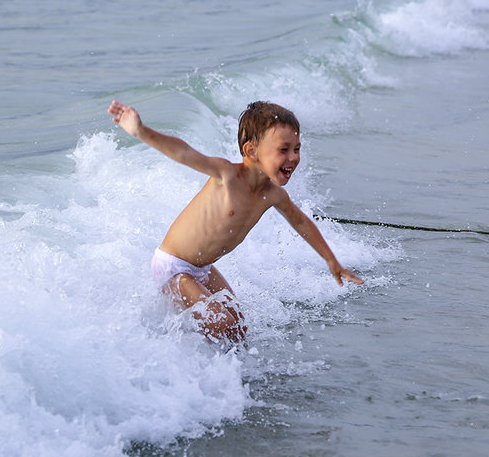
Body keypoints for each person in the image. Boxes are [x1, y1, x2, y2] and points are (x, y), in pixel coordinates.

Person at [108, 100, 363, 341]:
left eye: (296, 149)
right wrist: (141, 131)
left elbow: (301, 222)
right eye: (283, 150)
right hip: (174, 267)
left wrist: (332, 261)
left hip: (202, 270)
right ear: (251, 151)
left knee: (239, 327)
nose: (293, 157)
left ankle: (225, 370)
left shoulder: (273, 195)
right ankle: (185, 359)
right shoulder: (226, 175)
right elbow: (184, 153)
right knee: (223, 324)